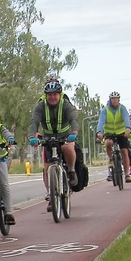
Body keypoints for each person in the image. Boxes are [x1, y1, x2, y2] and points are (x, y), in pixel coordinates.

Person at [27, 78, 80, 212]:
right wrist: (32, 136)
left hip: (65, 136)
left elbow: (73, 119)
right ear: (46, 95)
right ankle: (51, 195)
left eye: (55, 94)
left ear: (59, 94)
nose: (52, 97)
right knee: (47, 167)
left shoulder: (65, 104)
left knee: (68, 147)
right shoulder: (40, 105)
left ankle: (72, 171)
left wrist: (74, 132)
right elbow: (34, 122)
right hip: (48, 138)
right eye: (49, 94)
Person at [96, 91, 131, 184]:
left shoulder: (122, 108)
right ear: (110, 100)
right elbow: (101, 121)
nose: (114, 101)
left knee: (124, 151)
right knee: (108, 143)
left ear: (118, 100)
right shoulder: (105, 110)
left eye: (116, 99)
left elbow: (126, 118)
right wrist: (99, 132)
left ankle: (127, 174)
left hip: (121, 133)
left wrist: (128, 128)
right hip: (109, 133)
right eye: (113, 99)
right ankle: (111, 159)